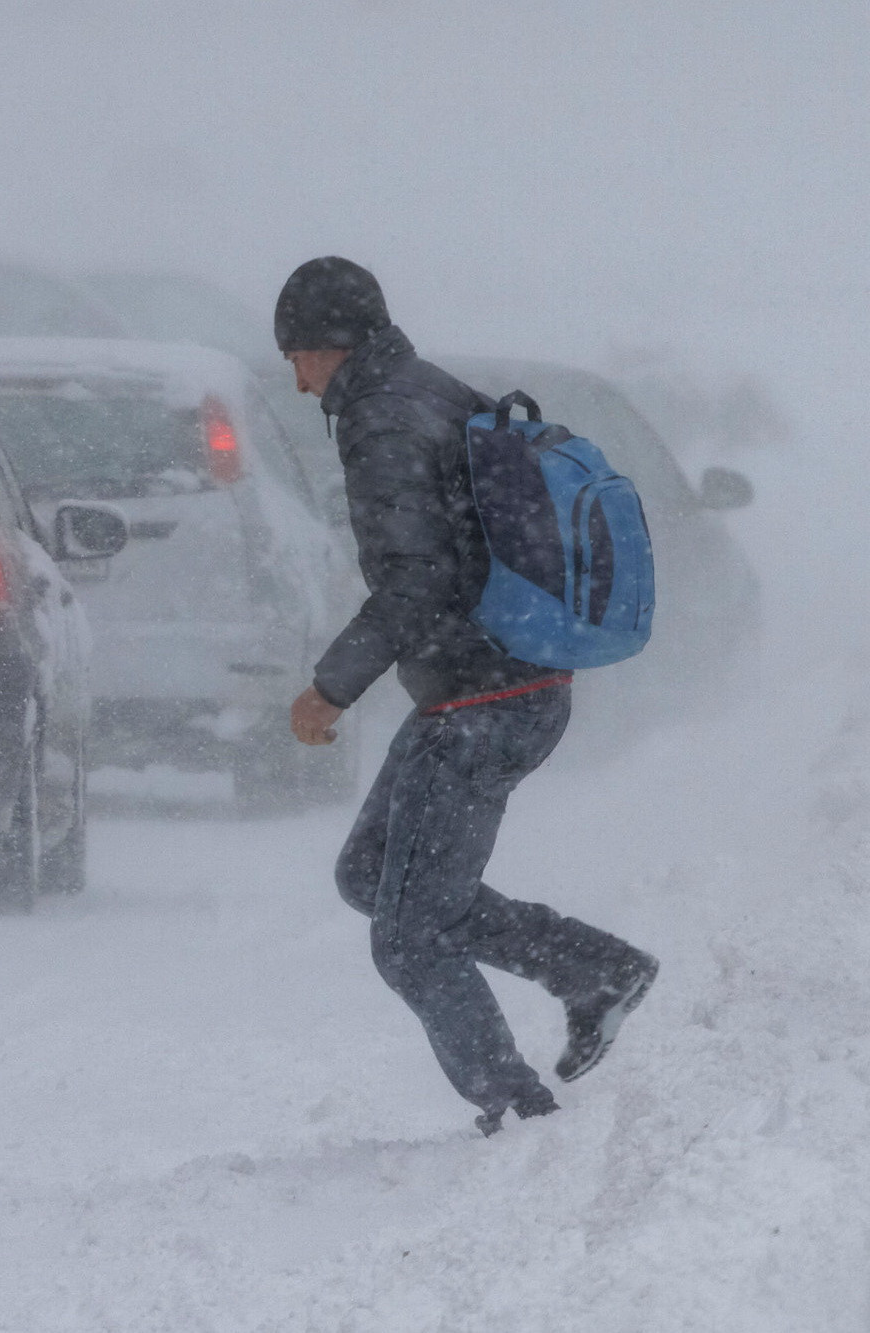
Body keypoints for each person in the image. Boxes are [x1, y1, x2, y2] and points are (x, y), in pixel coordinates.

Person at [275, 256, 658, 1136]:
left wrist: (329, 690)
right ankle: (594, 970)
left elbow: (416, 580)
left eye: (295, 356)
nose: (295, 381)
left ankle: (516, 1111)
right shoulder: (425, 390)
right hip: (501, 686)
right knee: (372, 876)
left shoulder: (381, 419)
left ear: (329, 346)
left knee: (409, 937)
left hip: (482, 701)